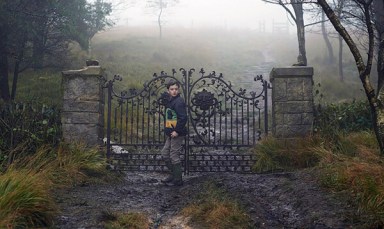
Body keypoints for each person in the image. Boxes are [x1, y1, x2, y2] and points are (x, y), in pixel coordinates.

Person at [160, 79, 187, 186]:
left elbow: (183, 118)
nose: (174, 91)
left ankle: (178, 180)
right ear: (168, 91)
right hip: (171, 134)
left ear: (178, 90)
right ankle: (173, 174)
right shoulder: (171, 100)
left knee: (173, 155)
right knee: (165, 154)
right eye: (172, 89)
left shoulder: (179, 102)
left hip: (177, 134)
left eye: (176, 89)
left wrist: (176, 131)